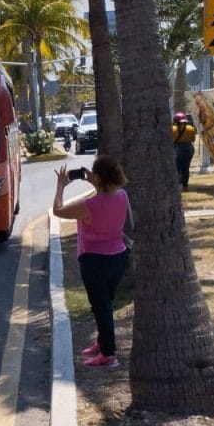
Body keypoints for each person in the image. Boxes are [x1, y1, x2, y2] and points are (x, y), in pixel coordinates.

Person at [53, 155, 132, 369]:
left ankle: (108, 354)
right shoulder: (122, 196)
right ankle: (102, 343)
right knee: (104, 305)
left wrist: (61, 186)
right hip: (118, 257)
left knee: (101, 307)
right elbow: (107, 198)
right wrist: (96, 183)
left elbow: (58, 210)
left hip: (94, 261)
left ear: (97, 176)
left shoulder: (88, 205)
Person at [172, 111, 196, 190]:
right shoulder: (191, 128)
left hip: (177, 148)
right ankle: (185, 185)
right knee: (186, 167)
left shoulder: (172, 129)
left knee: (177, 167)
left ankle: (178, 185)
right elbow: (193, 139)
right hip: (188, 148)